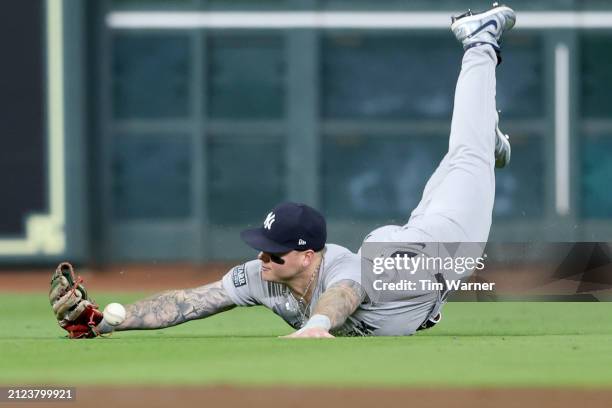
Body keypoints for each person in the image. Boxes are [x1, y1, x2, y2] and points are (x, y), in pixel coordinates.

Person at [51, 3, 516, 338]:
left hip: (436, 256)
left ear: (309, 255)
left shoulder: (339, 269)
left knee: (466, 159)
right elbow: (193, 301)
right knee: (464, 157)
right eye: (264, 249)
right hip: (407, 245)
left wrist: (316, 327)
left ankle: (480, 38)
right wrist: (111, 320)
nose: (264, 259)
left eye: (275, 253)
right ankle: (482, 134)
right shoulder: (264, 278)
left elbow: (347, 293)